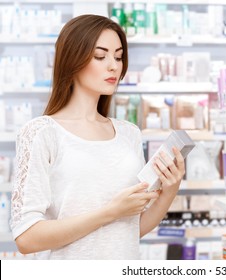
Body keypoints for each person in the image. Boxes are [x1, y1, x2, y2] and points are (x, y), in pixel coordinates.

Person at [9, 14, 185, 260]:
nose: (113, 65)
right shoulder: (42, 132)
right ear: (73, 59)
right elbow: (26, 238)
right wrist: (110, 212)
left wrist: (169, 190)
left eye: (119, 56)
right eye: (100, 56)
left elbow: (130, 231)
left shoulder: (128, 134)